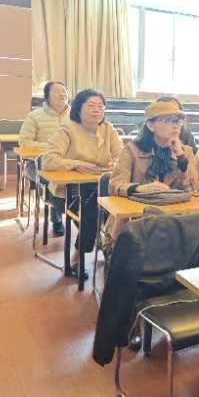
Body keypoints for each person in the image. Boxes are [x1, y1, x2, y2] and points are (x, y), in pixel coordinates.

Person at [43, 89, 122, 278]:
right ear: (78, 108)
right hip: (69, 191)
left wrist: (116, 164)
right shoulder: (67, 129)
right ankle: (78, 257)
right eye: (92, 106)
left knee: (115, 208)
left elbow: (121, 155)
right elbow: (48, 160)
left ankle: (107, 245)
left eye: (101, 106)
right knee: (93, 211)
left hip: (101, 187)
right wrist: (75, 164)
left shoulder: (108, 129)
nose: (97, 110)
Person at [109, 100, 199, 197]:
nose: (176, 126)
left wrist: (180, 156)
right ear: (150, 125)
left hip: (174, 205)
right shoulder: (132, 150)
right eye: (169, 120)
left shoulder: (186, 152)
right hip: (139, 205)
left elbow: (194, 187)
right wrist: (138, 189)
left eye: (178, 121)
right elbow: (115, 185)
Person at [19, 80, 70, 236]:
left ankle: (81, 220)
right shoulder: (34, 116)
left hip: (68, 165)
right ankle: (57, 219)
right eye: (57, 91)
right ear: (47, 96)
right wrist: (50, 147)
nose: (62, 94)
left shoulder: (76, 116)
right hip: (38, 165)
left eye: (64, 91)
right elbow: (24, 141)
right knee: (55, 181)